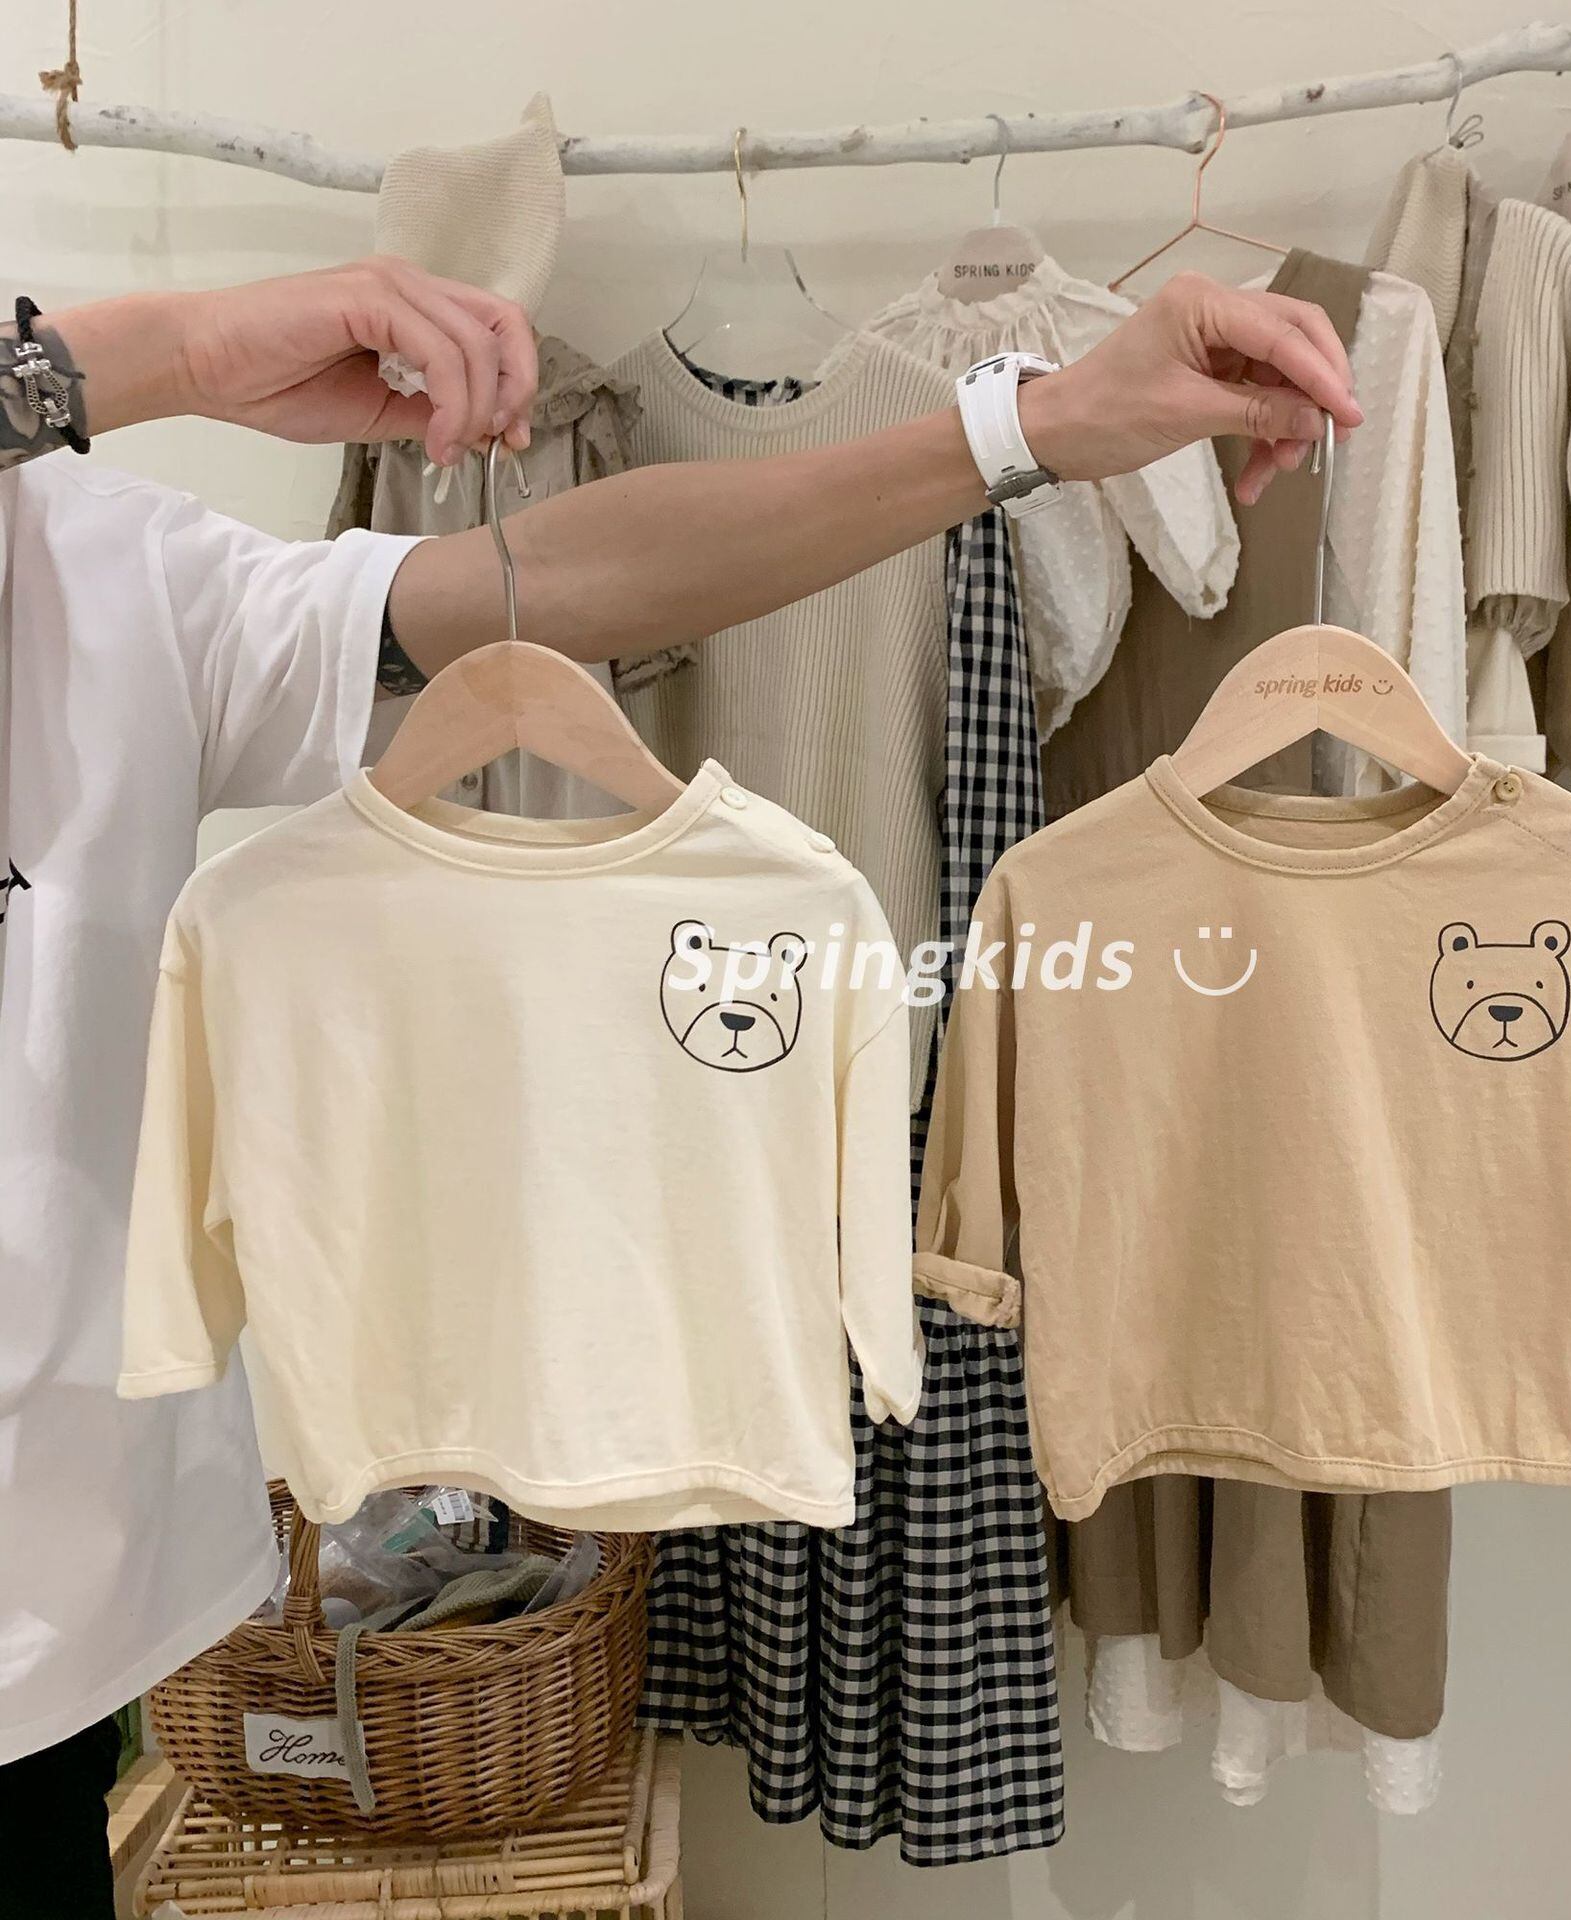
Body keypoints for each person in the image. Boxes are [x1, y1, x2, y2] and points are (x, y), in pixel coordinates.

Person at [0, 255, 1359, 1910]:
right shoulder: (241, 857)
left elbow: (553, 587)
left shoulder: (106, 571)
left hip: (45, 1625)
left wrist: (1038, 427)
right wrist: (168, 349)